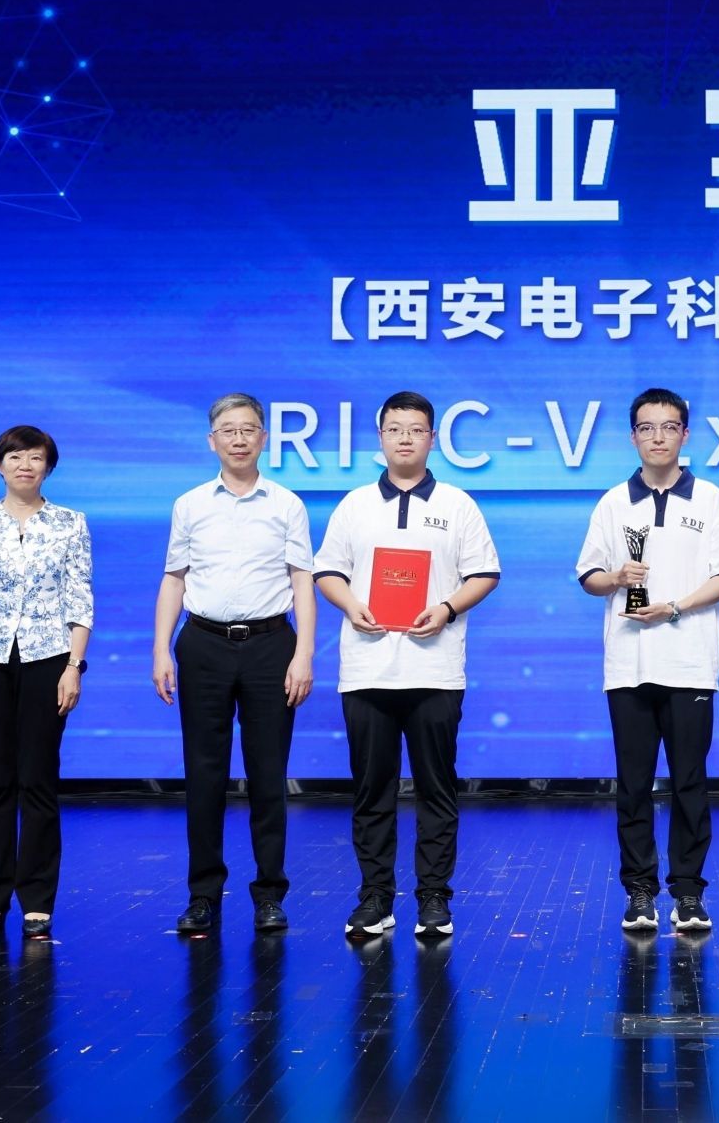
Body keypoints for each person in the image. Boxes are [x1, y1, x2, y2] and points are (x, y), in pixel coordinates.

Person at [314, 391, 500, 940]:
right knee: (372, 790)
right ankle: (375, 898)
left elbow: (484, 573)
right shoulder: (354, 505)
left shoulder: (458, 505)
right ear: (380, 437)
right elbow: (328, 571)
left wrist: (446, 608)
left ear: (432, 439)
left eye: (416, 430)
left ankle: (434, 899)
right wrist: (352, 605)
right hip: (367, 669)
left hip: (435, 670)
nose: (404, 438)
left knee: (437, 789)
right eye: (394, 429)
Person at [576, 388, 719, 934]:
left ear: (685, 435)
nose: (657, 437)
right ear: (633, 437)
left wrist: (675, 607)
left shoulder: (710, 500)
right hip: (628, 664)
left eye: (668, 427)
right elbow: (588, 576)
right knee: (633, 784)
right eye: (646, 428)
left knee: (689, 782)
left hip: (690, 661)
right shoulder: (613, 503)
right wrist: (616, 578)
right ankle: (640, 892)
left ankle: (689, 894)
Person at [152, 393, 316, 936]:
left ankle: (270, 894)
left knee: (268, 774)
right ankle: (203, 894)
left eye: (248, 429)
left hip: (271, 645)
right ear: (212, 441)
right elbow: (174, 578)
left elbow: (301, 581)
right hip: (203, 644)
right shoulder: (190, 504)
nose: (239, 439)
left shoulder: (286, 504)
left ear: (264, 438)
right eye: (228, 430)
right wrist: (161, 648)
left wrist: (304, 653)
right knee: (204, 774)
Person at [0, 425, 93, 941]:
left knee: (38, 780)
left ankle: (37, 903)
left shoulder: (70, 523)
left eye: (35, 457)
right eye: (15, 456)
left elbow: (80, 599)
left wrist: (74, 666)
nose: (25, 465)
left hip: (48, 658)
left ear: (49, 466)